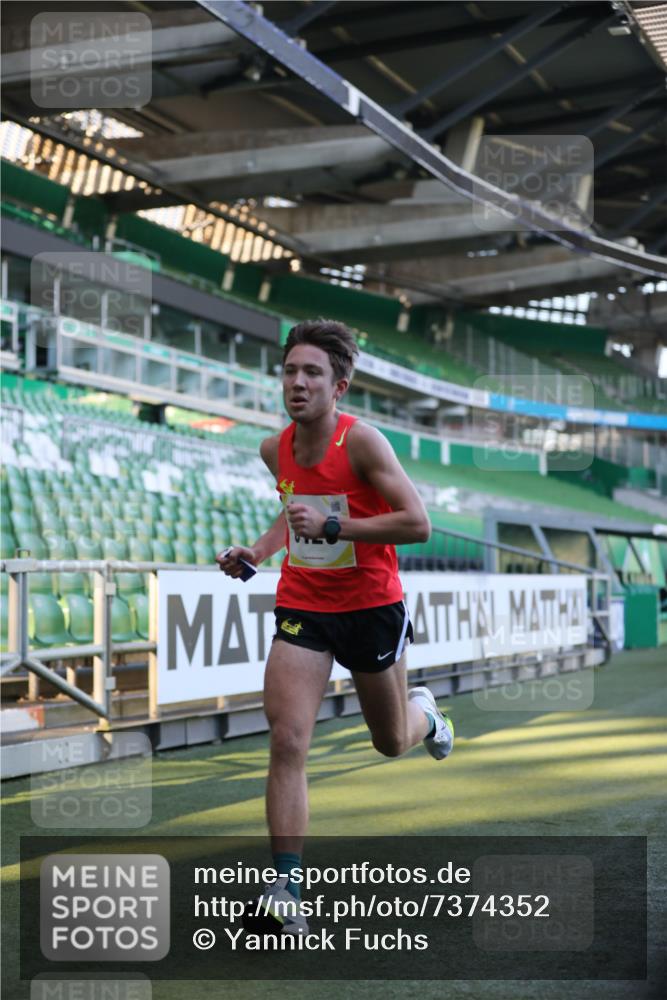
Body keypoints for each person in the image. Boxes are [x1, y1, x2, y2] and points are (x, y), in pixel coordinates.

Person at [216, 318, 454, 933]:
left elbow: (417, 524)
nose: (297, 382)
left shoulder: (365, 443)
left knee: (389, 739)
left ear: (339, 386)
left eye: (312, 373)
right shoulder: (275, 448)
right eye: (290, 371)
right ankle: (286, 887)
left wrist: (335, 527)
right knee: (288, 740)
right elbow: (291, 513)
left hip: (372, 607)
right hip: (304, 605)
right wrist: (260, 553)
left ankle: (425, 713)